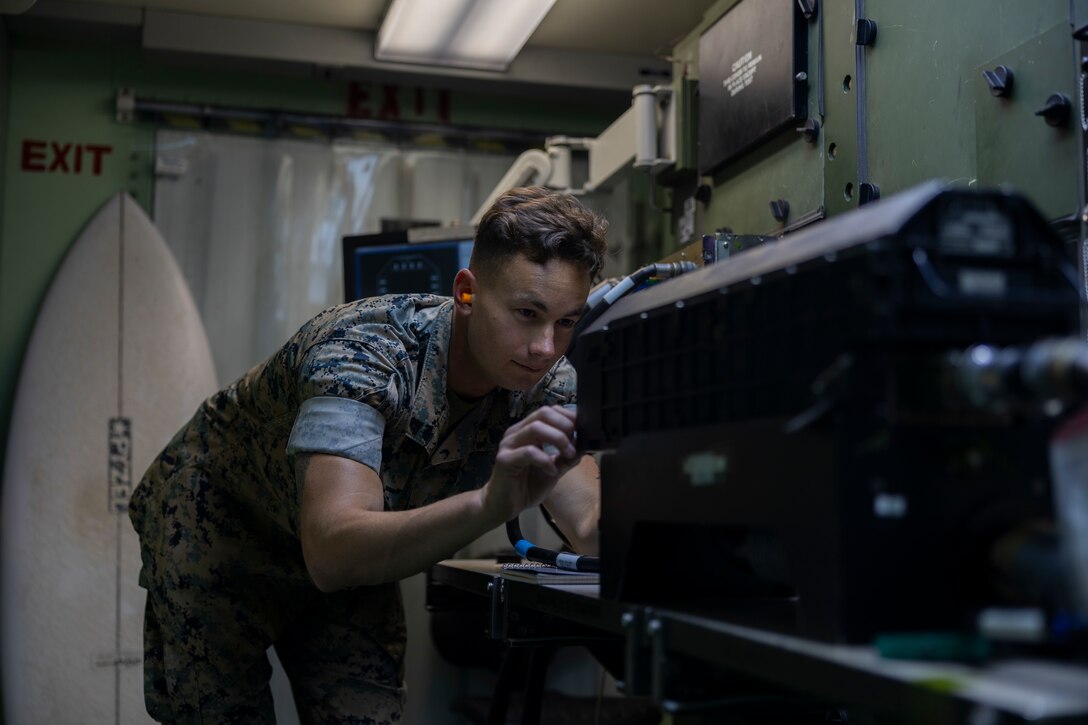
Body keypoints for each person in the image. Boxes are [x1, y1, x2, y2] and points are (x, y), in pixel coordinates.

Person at [129, 186, 608, 723]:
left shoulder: (547, 381)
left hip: (351, 548)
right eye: (527, 312)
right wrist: (487, 505)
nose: (545, 346)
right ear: (467, 293)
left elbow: (587, 520)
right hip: (216, 527)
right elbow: (332, 551)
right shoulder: (361, 352)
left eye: (566, 322)